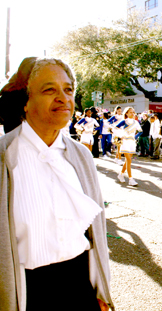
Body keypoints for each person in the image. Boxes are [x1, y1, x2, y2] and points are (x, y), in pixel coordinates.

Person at [0, 57, 113, 310]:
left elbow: (95, 234)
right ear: (25, 102)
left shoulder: (81, 155)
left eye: (68, 89)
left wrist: (99, 289)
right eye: (49, 90)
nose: (63, 97)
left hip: (79, 286)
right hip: (26, 292)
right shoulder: (4, 157)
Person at [115, 107, 142, 186]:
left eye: (133, 112)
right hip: (125, 142)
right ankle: (130, 179)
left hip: (132, 142)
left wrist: (135, 137)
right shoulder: (124, 121)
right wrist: (120, 136)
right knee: (129, 161)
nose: (132, 114)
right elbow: (114, 128)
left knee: (128, 161)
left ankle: (121, 174)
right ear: (126, 113)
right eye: (130, 112)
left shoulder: (136, 122)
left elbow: (140, 131)